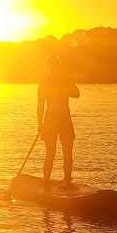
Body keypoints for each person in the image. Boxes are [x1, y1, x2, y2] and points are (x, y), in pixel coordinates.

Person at [36, 55, 78, 187]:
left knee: (57, 153)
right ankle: (54, 182)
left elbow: (76, 94)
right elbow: (41, 105)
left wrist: (40, 124)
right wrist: (40, 124)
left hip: (57, 120)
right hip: (54, 120)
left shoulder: (62, 80)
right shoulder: (46, 83)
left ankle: (58, 182)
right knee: (59, 153)